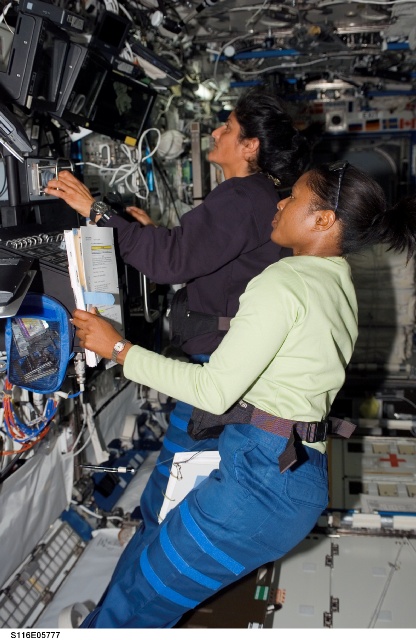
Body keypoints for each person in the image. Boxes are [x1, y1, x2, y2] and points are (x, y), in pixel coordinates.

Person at [71, 161, 416, 628]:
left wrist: (117, 348)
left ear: (323, 220)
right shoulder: (337, 282)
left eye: (292, 197)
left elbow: (212, 390)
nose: (279, 203)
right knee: (148, 571)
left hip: (260, 485)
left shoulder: (285, 282)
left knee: (140, 601)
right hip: (288, 471)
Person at [45, 89, 309, 540]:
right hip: (232, 368)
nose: (216, 131)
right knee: (182, 469)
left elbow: (170, 263)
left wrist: (95, 209)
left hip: (220, 370)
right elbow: (208, 259)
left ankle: (154, 550)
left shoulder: (244, 197)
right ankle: (158, 536)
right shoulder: (261, 197)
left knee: (176, 474)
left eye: (227, 127)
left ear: (250, 147)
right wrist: (154, 235)